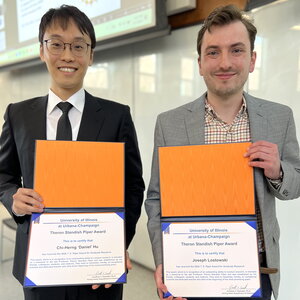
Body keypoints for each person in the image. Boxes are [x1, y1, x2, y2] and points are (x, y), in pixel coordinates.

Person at [145, 4, 300, 300]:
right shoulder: (169, 123)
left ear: (252, 59)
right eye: (213, 52)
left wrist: (279, 171)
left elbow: (296, 183)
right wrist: (164, 258)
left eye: (237, 50)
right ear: (200, 63)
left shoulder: (279, 117)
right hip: (191, 266)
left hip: (255, 270)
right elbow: (156, 199)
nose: (224, 62)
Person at [0, 5, 144, 300]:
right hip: (39, 264)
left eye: (78, 46)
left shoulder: (117, 117)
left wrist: (116, 245)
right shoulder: (18, 115)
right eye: (56, 44)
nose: (67, 55)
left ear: (90, 55)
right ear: (42, 50)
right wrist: (13, 198)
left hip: (98, 267)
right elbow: (3, 175)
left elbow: (132, 187)